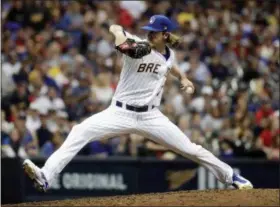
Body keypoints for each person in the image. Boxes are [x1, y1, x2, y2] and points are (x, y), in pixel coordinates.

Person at [23, 15, 253, 191]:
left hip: (151, 117)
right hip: (119, 112)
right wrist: (119, 32)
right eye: (149, 31)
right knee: (79, 130)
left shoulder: (169, 55)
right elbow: (119, 36)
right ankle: (46, 177)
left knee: (191, 149)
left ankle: (231, 177)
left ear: (165, 34)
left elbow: (170, 67)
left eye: (154, 32)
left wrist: (184, 79)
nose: (150, 35)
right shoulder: (138, 44)